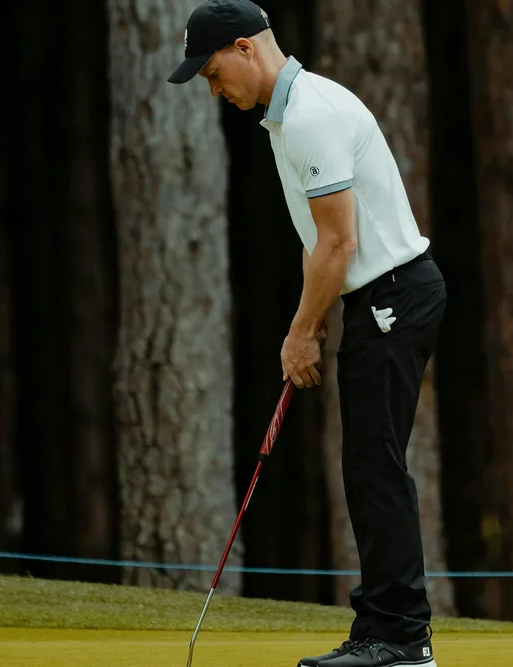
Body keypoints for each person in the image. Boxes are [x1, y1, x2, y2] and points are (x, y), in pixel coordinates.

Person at [168, 2, 447, 666]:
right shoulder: (285, 118)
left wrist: (298, 335)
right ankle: (385, 625)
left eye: (212, 73)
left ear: (244, 48)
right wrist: (313, 323)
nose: (214, 89)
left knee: (374, 463)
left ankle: (401, 637)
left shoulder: (310, 116)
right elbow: (316, 241)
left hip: (394, 295)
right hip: (381, 297)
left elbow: (340, 243)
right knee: (366, 463)